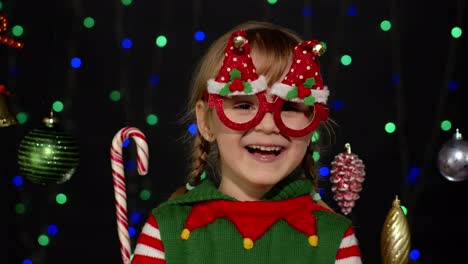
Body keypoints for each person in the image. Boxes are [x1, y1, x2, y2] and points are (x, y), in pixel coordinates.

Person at [130, 21, 362, 263]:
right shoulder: (167, 230)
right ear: (206, 122)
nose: (268, 125)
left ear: (311, 124)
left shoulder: (334, 238)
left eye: (290, 107)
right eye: (243, 105)